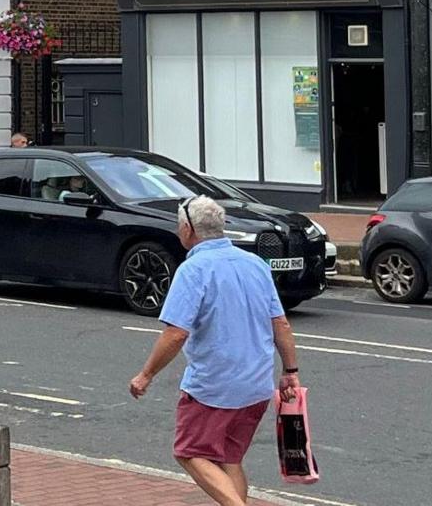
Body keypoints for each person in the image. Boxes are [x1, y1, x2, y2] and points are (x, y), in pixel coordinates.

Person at [127, 196, 302, 506]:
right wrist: (290, 372)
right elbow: (281, 325)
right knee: (228, 459)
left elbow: (176, 333)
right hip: (256, 385)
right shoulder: (255, 265)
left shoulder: (193, 270)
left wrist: (146, 374)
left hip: (213, 387)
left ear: (187, 229)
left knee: (189, 453)